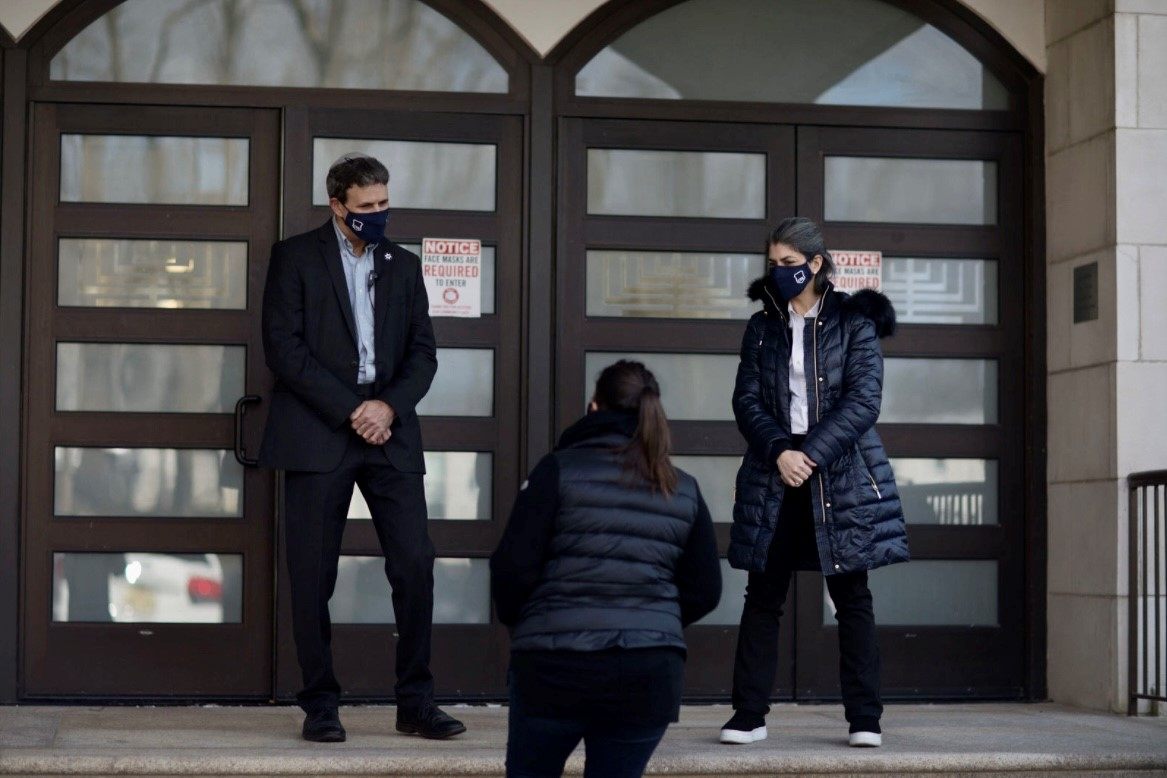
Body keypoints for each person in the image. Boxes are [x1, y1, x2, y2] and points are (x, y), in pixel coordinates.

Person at [259, 152, 464, 743]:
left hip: (389, 431)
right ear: (337, 205)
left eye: (383, 204)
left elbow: (424, 351)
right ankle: (320, 704)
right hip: (320, 429)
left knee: (415, 566)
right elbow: (284, 349)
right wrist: (352, 409)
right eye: (365, 207)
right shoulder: (295, 257)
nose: (377, 215)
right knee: (312, 574)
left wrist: (387, 407)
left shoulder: (403, 264)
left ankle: (416, 702)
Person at [720, 217, 909, 748]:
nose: (779, 273)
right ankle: (748, 715)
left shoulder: (856, 322)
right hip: (774, 471)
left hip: (841, 473)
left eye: (788, 264)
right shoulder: (761, 327)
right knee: (762, 594)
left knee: (852, 596)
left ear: (816, 264)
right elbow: (746, 401)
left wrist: (811, 454)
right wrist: (781, 451)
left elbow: (864, 402)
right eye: (773, 264)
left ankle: (865, 719)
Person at [491, 360, 722, 778]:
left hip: (554, 665)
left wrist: (528, 625)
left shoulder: (557, 470)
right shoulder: (680, 486)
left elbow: (512, 570)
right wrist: (654, 622)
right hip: (647, 673)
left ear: (593, 407)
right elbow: (704, 589)